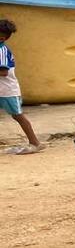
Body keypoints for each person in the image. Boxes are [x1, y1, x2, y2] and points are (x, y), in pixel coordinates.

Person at [0, 19, 44, 154]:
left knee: (18, 116)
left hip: (7, 91)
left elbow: (3, 72)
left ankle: (35, 143)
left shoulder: (2, 50)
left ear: (2, 38)